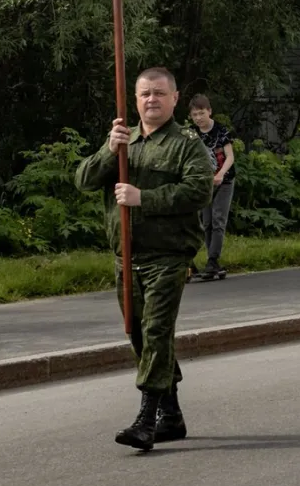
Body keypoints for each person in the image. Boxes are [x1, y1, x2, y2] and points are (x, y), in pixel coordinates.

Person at [74, 66, 213, 452]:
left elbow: (199, 192)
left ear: (174, 99)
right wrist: (108, 150)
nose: (151, 100)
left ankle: (145, 420)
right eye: (144, 94)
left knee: (154, 331)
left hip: (168, 255)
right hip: (126, 257)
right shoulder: (124, 141)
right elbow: (83, 180)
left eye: (159, 93)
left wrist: (144, 198)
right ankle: (172, 417)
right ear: (135, 100)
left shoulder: (187, 144)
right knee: (139, 334)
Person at [187, 94, 236, 282]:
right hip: (204, 183)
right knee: (206, 222)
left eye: (201, 113)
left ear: (209, 111)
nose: (198, 118)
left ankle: (213, 259)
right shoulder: (192, 133)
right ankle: (210, 260)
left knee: (218, 218)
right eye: (194, 115)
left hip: (224, 180)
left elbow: (230, 156)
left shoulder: (221, 131)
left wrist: (221, 174)